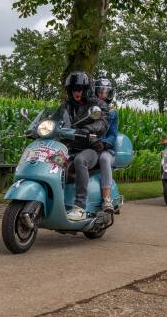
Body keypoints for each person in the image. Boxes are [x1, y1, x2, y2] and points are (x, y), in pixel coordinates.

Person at [59, 71, 108, 222]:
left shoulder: (97, 104)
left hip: (91, 148)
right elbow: (56, 119)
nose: (77, 92)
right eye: (74, 89)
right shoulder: (66, 106)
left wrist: (89, 129)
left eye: (79, 89)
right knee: (52, 162)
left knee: (80, 160)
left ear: (86, 89)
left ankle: (80, 207)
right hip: (70, 147)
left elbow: (102, 122)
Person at [93, 77, 118, 213]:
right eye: (100, 92)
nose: (102, 95)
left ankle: (106, 198)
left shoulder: (112, 112)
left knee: (104, 159)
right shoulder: (89, 109)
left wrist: (104, 143)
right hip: (88, 145)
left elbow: (113, 134)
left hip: (105, 149)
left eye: (105, 92)